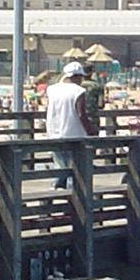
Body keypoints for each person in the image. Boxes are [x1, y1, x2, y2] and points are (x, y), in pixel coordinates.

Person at [44, 60, 89, 190]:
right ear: (76, 76)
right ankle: (72, 198)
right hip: (74, 135)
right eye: (80, 77)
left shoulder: (51, 89)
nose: (81, 80)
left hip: (54, 133)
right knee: (74, 170)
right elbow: (81, 114)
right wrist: (91, 131)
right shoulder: (79, 91)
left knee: (60, 166)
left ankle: (54, 191)